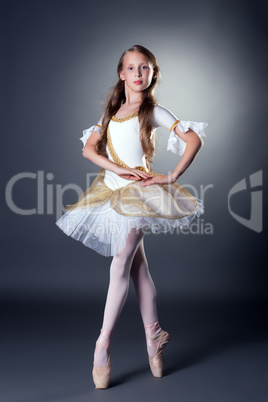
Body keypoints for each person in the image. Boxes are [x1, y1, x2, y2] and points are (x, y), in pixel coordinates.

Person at [55, 44, 208, 389]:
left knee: (121, 260)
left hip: (139, 195)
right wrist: (116, 169)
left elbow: (193, 139)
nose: (139, 74)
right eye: (132, 68)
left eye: (146, 68)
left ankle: (102, 343)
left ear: (153, 74)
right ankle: (154, 338)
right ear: (122, 73)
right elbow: (88, 149)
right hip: (110, 192)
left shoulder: (153, 111)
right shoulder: (111, 112)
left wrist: (170, 177)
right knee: (138, 266)